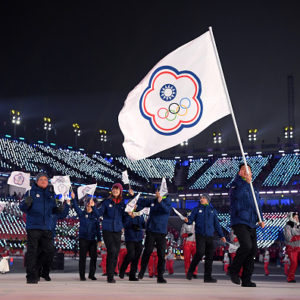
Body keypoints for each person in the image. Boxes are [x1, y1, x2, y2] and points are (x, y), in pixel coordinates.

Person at [19, 172, 66, 284]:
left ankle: (36, 269)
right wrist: (26, 203)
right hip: (33, 226)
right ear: (37, 181)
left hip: (47, 227)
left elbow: (56, 211)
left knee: (49, 251)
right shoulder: (30, 192)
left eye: (45, 179)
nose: (44, 181)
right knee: (32, 252)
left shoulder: (51, 195)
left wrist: (60, 207)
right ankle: (31, 276)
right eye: (41, 179)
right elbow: (23, 208)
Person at [229, 163, 265, 287]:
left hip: (252, 222)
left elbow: (257, 205)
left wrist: (261, 218)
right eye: (243, 170)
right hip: (239, 220)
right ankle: (233, 270)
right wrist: (245, 183)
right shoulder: (235, 185)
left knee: (253, 250)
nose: (246, 172)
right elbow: (237, 197)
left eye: (248, 170)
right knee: (247, 246)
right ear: (239, 173)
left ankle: (246, 279)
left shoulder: (253, 188)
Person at [184, 194, 226, 282]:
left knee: (209, 256)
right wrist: (188, 221)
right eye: (201, 198)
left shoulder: (212, 210)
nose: (201, 199)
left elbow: (217, 224)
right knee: (199, 253)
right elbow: (190, 219)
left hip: (210, 236)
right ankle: (190, 272)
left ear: (207, 200)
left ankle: (207, 277)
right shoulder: (196, 209)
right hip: (200, 235)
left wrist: (221, 235)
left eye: (203, 198)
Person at [96, 183, 130, 283]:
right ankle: (110, 276)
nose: (115, 191)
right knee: (112, 251)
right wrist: (94, 207)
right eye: (114, 189)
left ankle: (111, 273)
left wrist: (128, 217)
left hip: (117, 230)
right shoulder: (107, 202)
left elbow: (125, 217)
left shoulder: (122, 203)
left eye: (117, 189)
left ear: (120, 191)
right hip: (107, 230)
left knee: (115, 253)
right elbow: (99, 213)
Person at [137, 190, 171, 284]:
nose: (156, 193)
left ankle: (160, 276)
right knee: (147, 251)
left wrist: (160, 202)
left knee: (161, 255)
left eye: (158, 192)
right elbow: (141, 201)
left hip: (161, 232)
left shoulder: (167, 202)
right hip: (151, 231)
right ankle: (142, 271)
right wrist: (134, 196)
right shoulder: (153, 201)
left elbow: (166, 210)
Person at [72, 195, 101, 281]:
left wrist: (99, 239)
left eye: (90, 203)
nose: (88, 204)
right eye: (87, 202)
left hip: (92, 239)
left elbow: (98, 229)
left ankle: (91, 275)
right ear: (85, 204)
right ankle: (82, 275)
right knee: (82, 258)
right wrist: (73, 198)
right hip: (83, 239)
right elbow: (76, 207)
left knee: (94, 257)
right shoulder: (82, 214)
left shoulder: (95, 215)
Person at [119, 209, 145, 281]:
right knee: (131, 254)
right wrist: (131, 217)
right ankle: (123, 269)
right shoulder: (126, 214)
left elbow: (143, 224)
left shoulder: (139, 213)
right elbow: (125, 224)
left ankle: (132, 275)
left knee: (136, 257)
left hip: (139, 238)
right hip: (130, 238)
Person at [283, 212, 300, 283]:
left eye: (297, 217)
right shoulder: (288, 226)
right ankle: (290, 278)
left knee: (294, 263)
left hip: (298, 247)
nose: (297, 218)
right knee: (294, 263)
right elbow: (288, 238)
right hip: (292, 248)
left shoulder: (298, 226)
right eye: (295, 217)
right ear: (291, 218)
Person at [180, 212, 198, 278]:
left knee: (195, 259)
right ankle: (187, 272)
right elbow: (182, 234)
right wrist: (187, 235)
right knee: (187, 259)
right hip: (187, 243)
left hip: (195, 243)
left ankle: (194, 273)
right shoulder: (185, 225)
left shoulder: (197, 224)